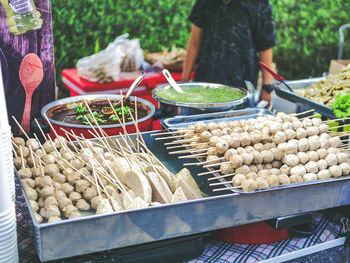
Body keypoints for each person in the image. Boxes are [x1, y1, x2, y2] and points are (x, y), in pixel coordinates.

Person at [181, 0, 277, 104]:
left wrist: (267, 88)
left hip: (243, 87)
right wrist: (184, 82)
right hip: (205, 83)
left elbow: (265, 46)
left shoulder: (260, 3)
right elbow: (195, 42)